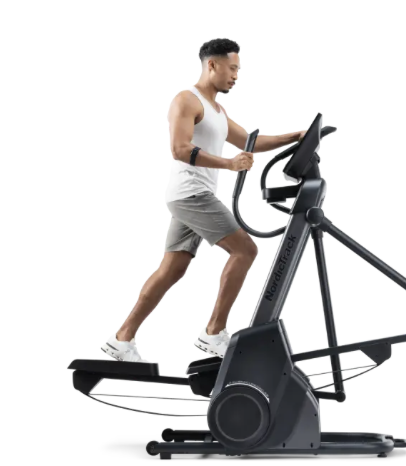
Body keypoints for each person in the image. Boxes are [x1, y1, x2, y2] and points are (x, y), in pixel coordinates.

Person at [102, 38, 307, 362]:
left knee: (171, 270)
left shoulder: (218, 112)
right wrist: (228, 164)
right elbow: (179, 149)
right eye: (232, 68)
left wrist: (296, 136)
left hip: (192, 196)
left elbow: (249, 141)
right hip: (191, 194)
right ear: (212, 65)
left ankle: (121, 339)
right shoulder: (187, 100)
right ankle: (213, 332)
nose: (236, 76)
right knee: (245, 250)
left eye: (238, 70)